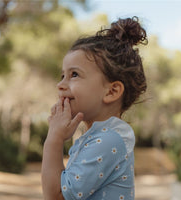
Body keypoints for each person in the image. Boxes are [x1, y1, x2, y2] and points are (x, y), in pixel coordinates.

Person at [41, 16, 148, 200]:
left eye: (74, 74)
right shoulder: (99, 138)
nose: (60, 84)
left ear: (112, 91)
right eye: (62, 75)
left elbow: (56, 195)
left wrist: (54, 138)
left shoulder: (108, 140)